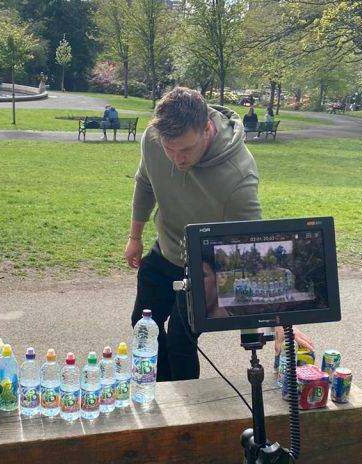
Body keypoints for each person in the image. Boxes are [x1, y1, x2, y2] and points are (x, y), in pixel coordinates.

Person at [127, 86, 312, 382]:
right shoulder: (153, 138)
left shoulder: (238, 176)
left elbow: (255, 248)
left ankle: (187, 412)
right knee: (142, 325)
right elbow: (145, 182)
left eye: (186, 149)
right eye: (169, 150)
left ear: (207, 128)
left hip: (203, 267)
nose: (178, 160)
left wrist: (281, 322)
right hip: (165, 250)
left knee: (180, 338)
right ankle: (159, 392)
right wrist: (135, 237)